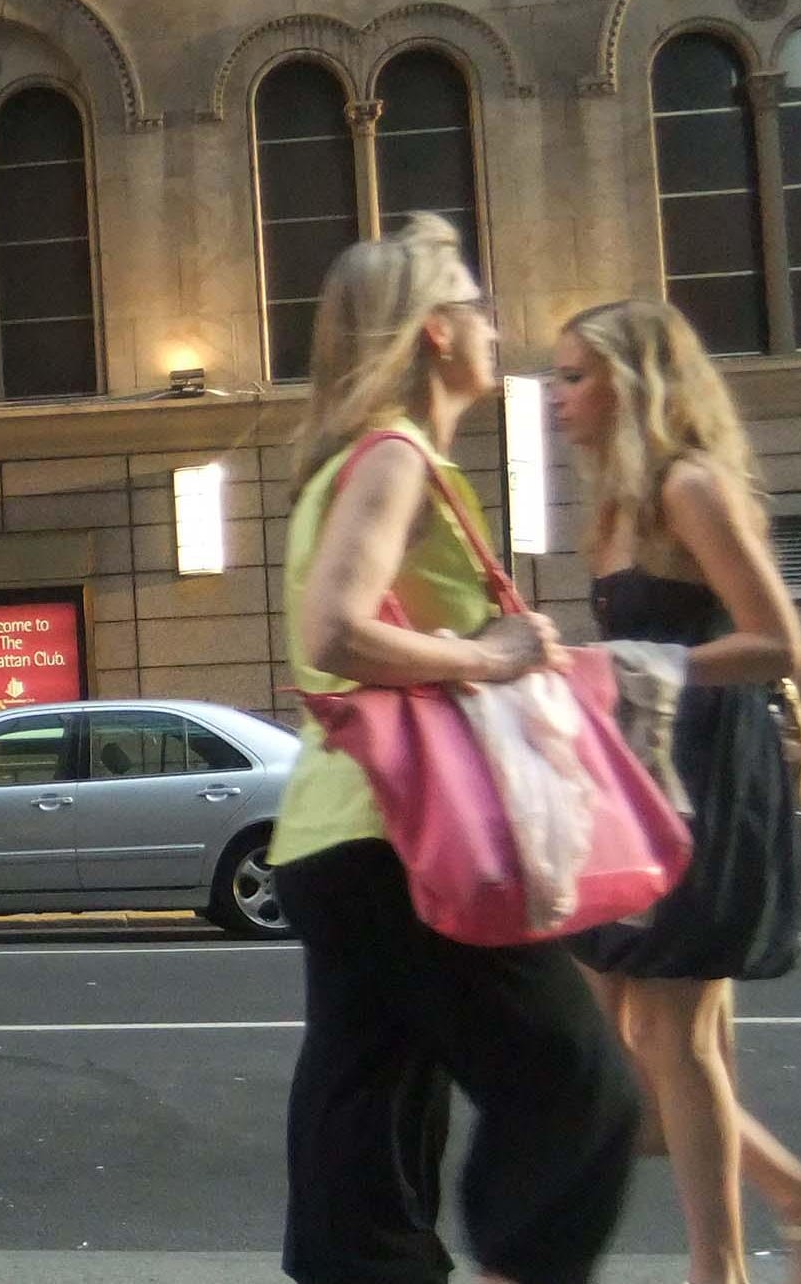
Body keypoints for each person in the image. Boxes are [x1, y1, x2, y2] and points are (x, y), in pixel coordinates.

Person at [271, 214, 641, 1284]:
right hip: (404, 833)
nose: (495, 324)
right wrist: (491, 653)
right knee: (581, 1087)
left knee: (368, 1120)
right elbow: (334, 633)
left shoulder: (353, 463)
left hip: (336, 833)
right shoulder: (395, 458)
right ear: (435, 330)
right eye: (477, 305)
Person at [549, 299, 801, 1284]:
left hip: (709, 776)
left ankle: (727, 1266)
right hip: (643, 782)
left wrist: (639, 665)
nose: (556, 398)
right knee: (610, 1052)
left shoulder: (687, 488)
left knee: (673, 1035)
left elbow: (777, 641)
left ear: (632, 382)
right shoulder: (613, 508)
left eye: (574, 376)